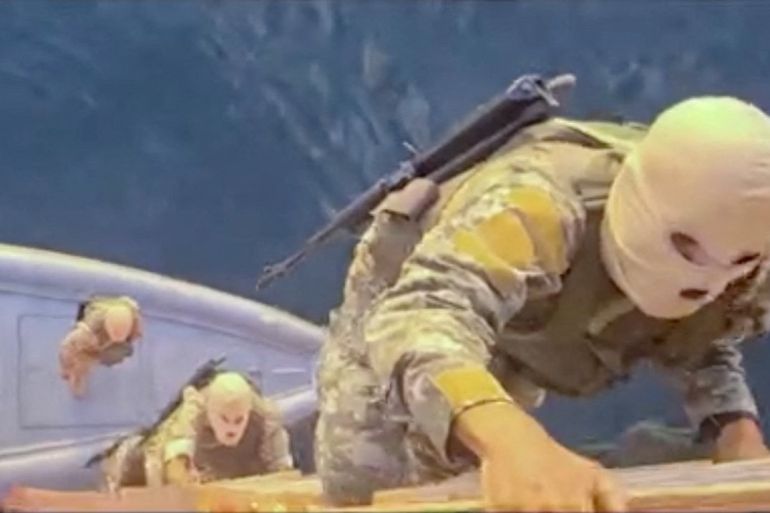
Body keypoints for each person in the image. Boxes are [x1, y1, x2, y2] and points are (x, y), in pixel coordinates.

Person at [314, 96, 770, 511]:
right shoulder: (533, 208)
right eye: (687, 249)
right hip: (412, 295)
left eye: (740, 261)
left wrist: (734, 430)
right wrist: (508, 438)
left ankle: (629, 457)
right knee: (372, 484)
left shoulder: (748, 244)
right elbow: (420, 317)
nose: (707, 278)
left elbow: (703, 331)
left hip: (544, 323)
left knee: (515, 477)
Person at [101, 371, 293, 488]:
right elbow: (175, 466)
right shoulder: (193, 410)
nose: (231, 428)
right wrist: (183, 478)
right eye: (224, 419)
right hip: (150, 471)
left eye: (239, 420)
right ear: (209, 412)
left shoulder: (268, 421)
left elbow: (282, 475)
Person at [59, 295, 143, 397]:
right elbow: (68, 345)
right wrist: (67, 368)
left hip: (109, 334)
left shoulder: (133, 322)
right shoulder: (87, 332)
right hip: (92, 335)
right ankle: (74, 374)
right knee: (78, 355)